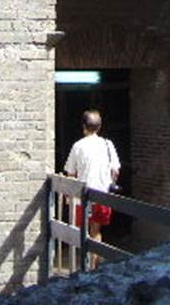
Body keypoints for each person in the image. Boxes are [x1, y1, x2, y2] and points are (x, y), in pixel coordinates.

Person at [64, 109, 120, 268]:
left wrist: (69, 196)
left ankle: (82, 266)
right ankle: (93, 267)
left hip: (83, 196)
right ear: (99, 126)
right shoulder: (108, 145)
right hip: (102, 195)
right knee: (96, 231)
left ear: (83, 126)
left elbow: (70, 172)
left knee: (81, 233)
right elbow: (115, 170)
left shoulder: (78, 146)